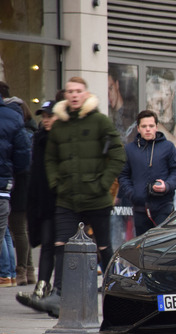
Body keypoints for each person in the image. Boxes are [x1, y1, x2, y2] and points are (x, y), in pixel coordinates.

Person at [35, 77, 126, 317]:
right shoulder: (60, 125)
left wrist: (103, 184)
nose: (74, 95)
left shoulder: (99, 121)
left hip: (96, 198)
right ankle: (58, 295)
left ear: (85, 94)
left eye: (78, 91)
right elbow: (51, 159)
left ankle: (116, 296)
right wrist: (57, 183)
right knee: (60, 244)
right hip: (67, 198)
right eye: (70, 91)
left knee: (104, 247)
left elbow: (118, 154)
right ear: (65, 95)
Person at [16, 100, 59, 308]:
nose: (46, 120)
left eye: (50, 115)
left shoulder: (60, 139)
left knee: (58, 246)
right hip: (44, 201)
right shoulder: (40, 137)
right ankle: (42, 288)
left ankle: (53, 290)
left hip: (61, 200)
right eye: (44, 116)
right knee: (48, 244)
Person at [118, 110, 176, 236]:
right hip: (139, 208)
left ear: (156, 127)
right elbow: (123, 175)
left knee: (161, 242)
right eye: (144, 126)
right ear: (138, 128)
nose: (148, 129)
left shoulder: (168, 147)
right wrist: (133, 193)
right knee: (142, 246)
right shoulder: (129, 149)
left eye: (151, 126)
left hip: (163, 206)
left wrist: (167, 185)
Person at [0, 82, 35, 286]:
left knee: (15, 230)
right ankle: (21, 271)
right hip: (13, 185)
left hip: (17, 186)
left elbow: (23, 162)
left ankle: (14, 272)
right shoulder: (22, 127)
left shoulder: (23, 129)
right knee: (13, 231)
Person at [108, 66, 137, 143]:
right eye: (106, 90)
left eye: (110, 88)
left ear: (117, 85)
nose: (109, 95)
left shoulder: (131, 111)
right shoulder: (109, 113)